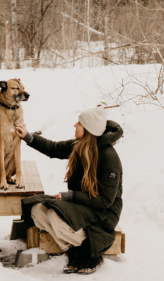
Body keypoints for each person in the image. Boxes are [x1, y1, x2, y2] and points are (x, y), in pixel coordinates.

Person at [15, 107, 123, 275]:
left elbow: (105, 201)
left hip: (104, 214)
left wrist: (71, 196)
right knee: (38, 210)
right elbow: (54, 148)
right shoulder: (80, 145)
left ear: (88, 129)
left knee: (54, 215)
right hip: (82, 206)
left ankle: (91, 252)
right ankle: (75, 249)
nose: (75, 125)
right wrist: (28, 137)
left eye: (79, 124)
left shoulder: (109, 157)